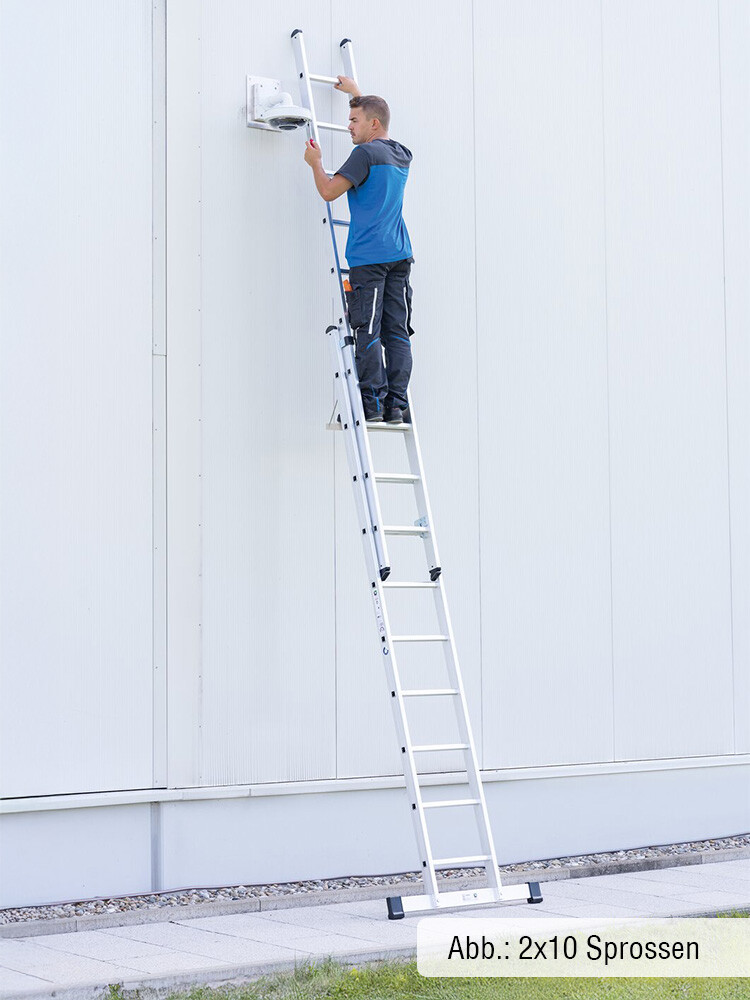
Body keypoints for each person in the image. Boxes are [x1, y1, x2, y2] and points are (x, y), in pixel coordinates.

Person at [303, 77, 414, 424]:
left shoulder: (363, 154)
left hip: (370, 259)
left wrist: (314, 162)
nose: (348, 126)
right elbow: (374, 112)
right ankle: (396, 403)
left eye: (354, 121)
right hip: (400, 255)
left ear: (373, 123)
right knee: (397, 331)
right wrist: (355, 94)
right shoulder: (400, 153)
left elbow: (328, 191)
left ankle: (372, 404)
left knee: (367, 330)